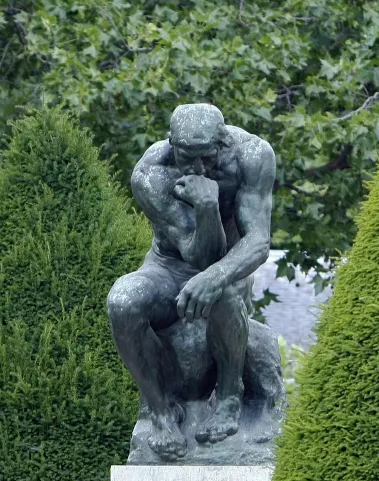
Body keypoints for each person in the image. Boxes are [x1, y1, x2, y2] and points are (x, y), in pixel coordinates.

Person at [109, 103, 276, 458]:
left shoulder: (252, 155)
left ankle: (230, 399)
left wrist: (214, 276)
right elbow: (193, 253)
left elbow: (257, 241)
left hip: (229, 265)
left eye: (207, 157)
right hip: (167, 269)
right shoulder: (151, 173)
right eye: (187, 158)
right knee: (122, 301)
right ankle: (160, 411)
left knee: (223, 289)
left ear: (223, 141)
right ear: (171, 144)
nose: (198, 168)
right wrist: (205, 207)